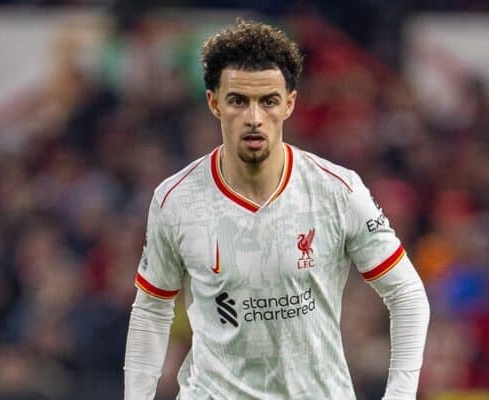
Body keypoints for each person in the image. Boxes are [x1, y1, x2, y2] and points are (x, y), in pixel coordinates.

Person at [124, 19, 429, 400]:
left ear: (289, 103)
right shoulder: (176, 199)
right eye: (238, 100)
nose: (254, 118)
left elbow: (407, 294)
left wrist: (400, 395)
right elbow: (152, 311)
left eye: (268, 101)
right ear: (214, 102)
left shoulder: (337, 190)